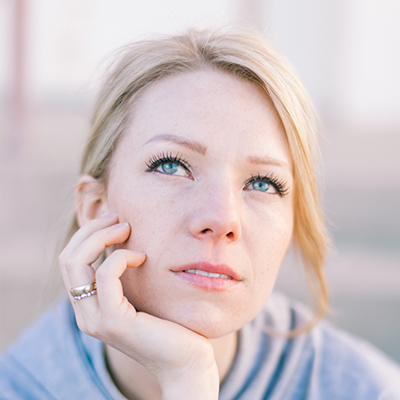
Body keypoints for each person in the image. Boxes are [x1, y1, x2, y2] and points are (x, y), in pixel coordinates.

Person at [1, 27, 399, 400]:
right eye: (172, 165)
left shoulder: (364, 390)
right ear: (94, 208)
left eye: (262, 183)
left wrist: (188, 380)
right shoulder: (24, 386)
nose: (222, 218)